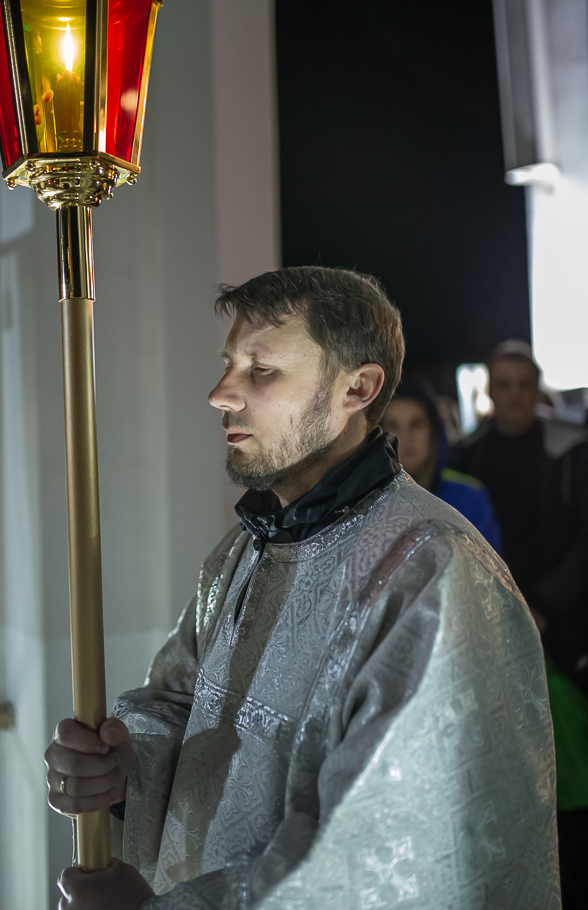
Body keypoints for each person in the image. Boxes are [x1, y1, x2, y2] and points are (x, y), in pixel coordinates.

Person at [47, 269, 559, 910]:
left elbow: (390, 848)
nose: (220, 394)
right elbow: (180, 702)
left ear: (358, 388)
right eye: (228, 365)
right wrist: (127, 766)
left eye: (261, 370)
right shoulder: (247, 547)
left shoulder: (432, 570)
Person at [450, 339, 588, 909]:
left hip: (564, 630)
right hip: (490, 626)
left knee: (571, 773)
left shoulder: (570, 451)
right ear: (490, 391)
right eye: (503, 386)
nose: (513, 396)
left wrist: (546, 606)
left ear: (536, 390)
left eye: (523, 386)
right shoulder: (467, 457)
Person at [382, 372, 501, 551]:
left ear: (434, 432)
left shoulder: (469, 498)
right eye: (393, 426)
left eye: (416, 424)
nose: (406, 438)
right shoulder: (366, 503)